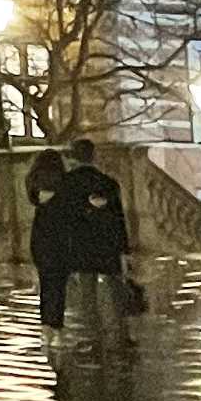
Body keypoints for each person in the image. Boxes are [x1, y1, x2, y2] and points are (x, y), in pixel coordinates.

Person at [45, 137, 135, 354]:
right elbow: (119, 219)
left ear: (74, 157)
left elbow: (62, 221)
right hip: (108, 245)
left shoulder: (66, 185)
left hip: (81, 247)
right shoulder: (108, 183)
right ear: (93, 156)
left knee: (87, 295)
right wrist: (124, 249)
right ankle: (122, 333)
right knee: (116, 291)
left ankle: (93, 337)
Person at [24, 144, 70, 332]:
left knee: (46, 282)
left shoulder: (35, 187)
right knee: (59, 284)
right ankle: (56, 321)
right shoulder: (64, 186)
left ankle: (46, 321)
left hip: (41, 238)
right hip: (60, 237)